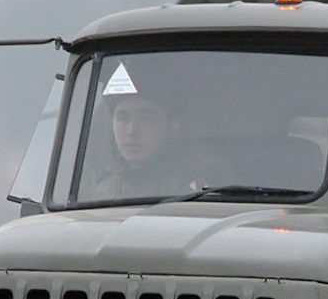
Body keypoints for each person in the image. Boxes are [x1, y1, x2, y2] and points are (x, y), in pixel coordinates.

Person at [85, 68, 230, 202]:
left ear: (173, 127)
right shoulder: (107, 184)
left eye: (146, 118)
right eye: (123, 118)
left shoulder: (203, 171)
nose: (131, 131)